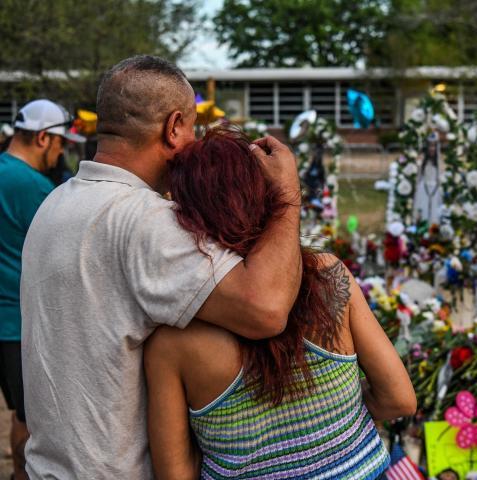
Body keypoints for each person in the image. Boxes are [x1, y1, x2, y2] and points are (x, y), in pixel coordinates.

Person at [20, 56, 302, 479]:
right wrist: (288, 195)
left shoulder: (55, 203)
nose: (194, 143)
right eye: (192, 129)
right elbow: (266, 309)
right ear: (173, 127)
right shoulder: (142, 219)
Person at [144, 127, 416, 479]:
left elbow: (175, 475)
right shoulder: (327, 277)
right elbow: (398, 399)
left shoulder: (172, 342)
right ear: (264, 195)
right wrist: (337, 414)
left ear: (185, 219)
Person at [0, 99, 85, 479]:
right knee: (33, 423)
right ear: (42, 138)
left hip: (6, 323)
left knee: (19, 416)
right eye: (60, 143)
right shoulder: (34, 187)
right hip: (21, 325)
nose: (61, 153)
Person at [413, 131, 444, 225]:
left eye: (434, 146)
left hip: (435, 189)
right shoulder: (423, 160)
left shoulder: (439, 161)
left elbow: (441, 176)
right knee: (423, 209)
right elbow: (419, 176)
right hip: (424, 188)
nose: (432, 148)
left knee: (434, 211)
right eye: (430, 146)